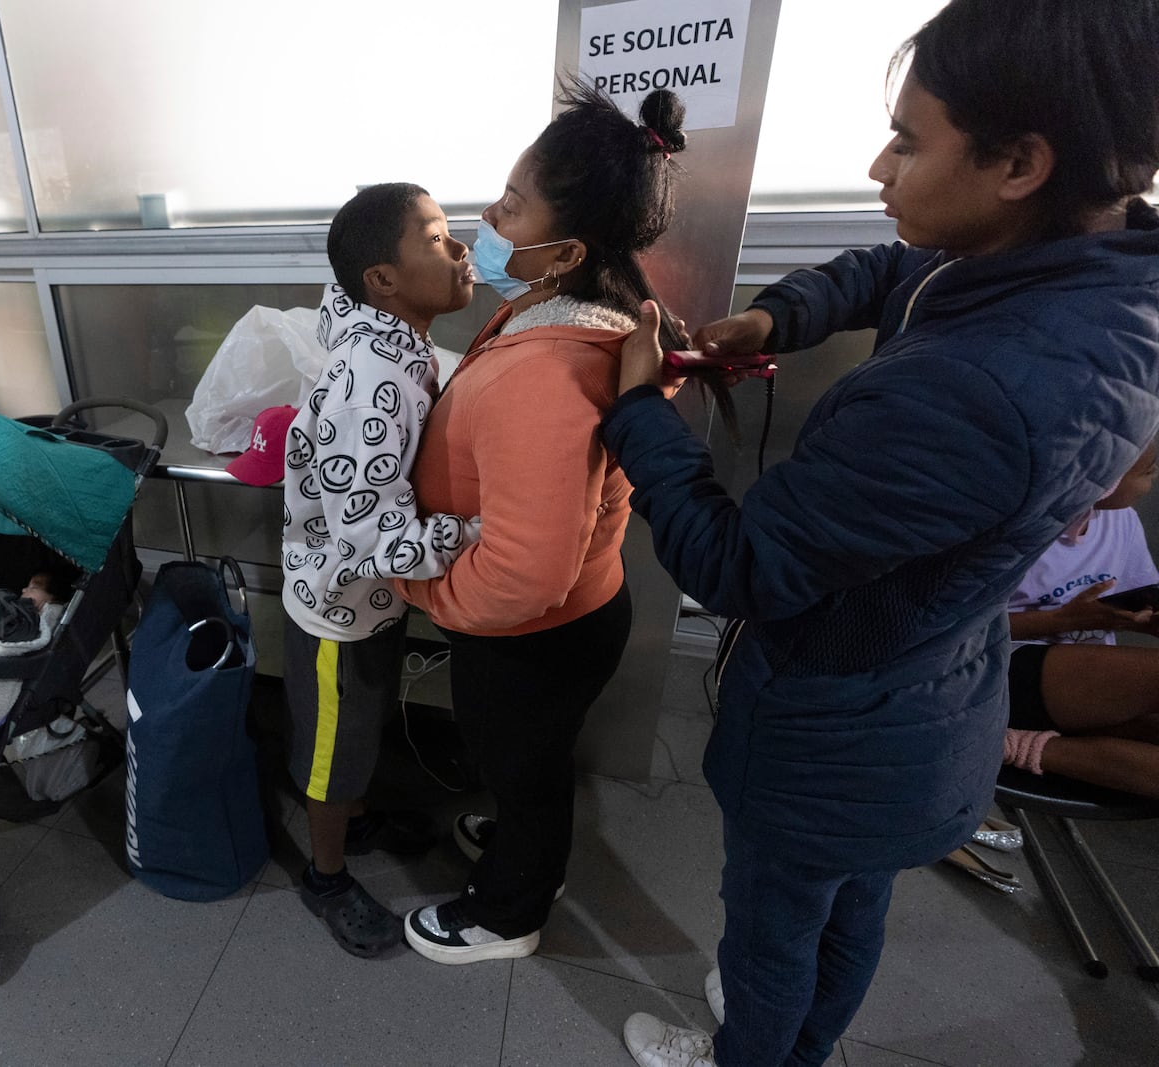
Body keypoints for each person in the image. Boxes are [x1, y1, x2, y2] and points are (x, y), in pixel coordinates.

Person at [602, 2, 1159, 1064]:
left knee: (772, 929)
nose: (877, 165)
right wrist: (773, 317)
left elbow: (741, 565)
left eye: (908, 140)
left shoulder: (973, 392)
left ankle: (749, 1050)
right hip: (929, 698)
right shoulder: (1081, 269)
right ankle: (793, 1036)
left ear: (1018, 162)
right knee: (848, 905)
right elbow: (894, 272)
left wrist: (638, 413)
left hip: (835, 732)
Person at [396, 83, 691, 965]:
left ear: (566, 247)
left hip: (527, 629)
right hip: (569, 616)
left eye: (512, 205)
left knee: (521, 764)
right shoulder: (570, 312)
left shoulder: (549, 371)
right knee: (533, 763)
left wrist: (427, 588)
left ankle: (506, 914)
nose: (487, 215)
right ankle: (534, 849)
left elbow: (525, 574)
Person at [280, 182, 482, 957]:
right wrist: (481, 532)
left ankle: (357, 822)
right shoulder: (374, 376)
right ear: (382, 280)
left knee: (358, 728)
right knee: (334, 744)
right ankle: (325, 872)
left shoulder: (398, 345)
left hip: (370, 599)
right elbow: (370, 534)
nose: (460, 248)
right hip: (339, 606)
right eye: (434, 239)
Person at [1000, 438, 1159, 799]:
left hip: (1075, 690)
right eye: (1148, 471)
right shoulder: (1018, 529)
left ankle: (1010, 745)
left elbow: (1138, 594)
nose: (1154, 479)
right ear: (1106, 477)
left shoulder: (1121, 523)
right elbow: (954, 628)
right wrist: (1062, 620)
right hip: (1000, 667)